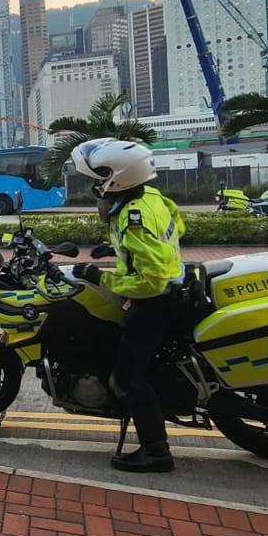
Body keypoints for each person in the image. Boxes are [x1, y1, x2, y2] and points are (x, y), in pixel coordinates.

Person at [70, 138, 186, 474]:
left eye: (98, 179)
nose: (95, 187)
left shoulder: (133, 216)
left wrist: (103, 279)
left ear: (118, 178)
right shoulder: (151, 197)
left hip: (154, 302)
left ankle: (156, 451)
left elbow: (153, 280)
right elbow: (177, 226)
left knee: (129, 376)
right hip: (168, 294)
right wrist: (122, 251)